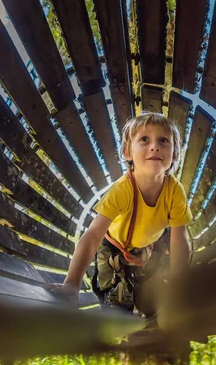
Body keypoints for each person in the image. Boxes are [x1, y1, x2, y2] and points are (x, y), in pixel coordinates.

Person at [46, 112, 193, 316]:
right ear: (127, 152)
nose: (154, 146)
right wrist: (72, 284)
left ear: (174, 155)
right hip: (113, 247)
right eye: (144, 139)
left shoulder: (174, 191)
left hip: (148, 246)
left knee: (152, 303)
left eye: (163, 140)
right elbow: (93, 235)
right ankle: (119, 316)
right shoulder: (122, 190)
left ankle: (149, 320)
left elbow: (179, 240)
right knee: (115, 301)